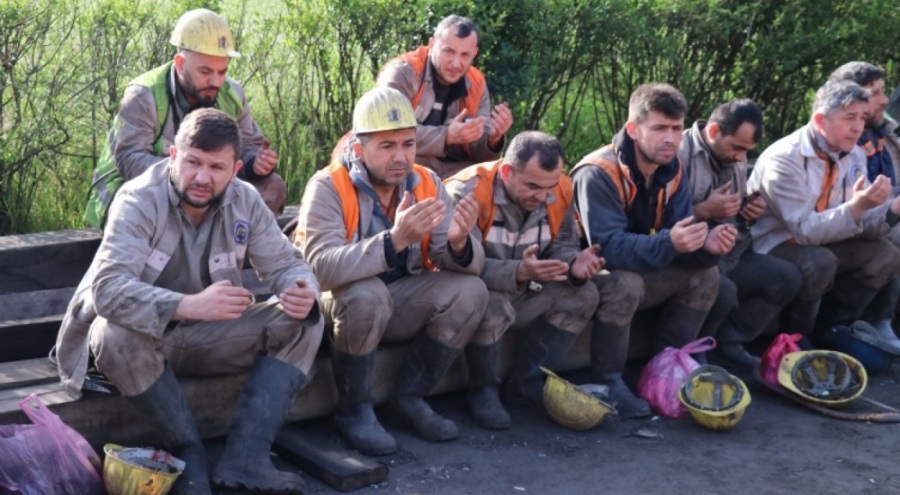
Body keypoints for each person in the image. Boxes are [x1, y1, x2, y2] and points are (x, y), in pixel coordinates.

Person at [56, 109, 322, 494]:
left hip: (209, 336)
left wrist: (300, 289)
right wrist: (189, 305)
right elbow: (108, 290)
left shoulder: (245, 199)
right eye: (193, 162)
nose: (202, 177)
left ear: (235, 170)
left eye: (216, 167)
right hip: (143, 345)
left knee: (305, 320)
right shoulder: (137, 199)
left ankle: (247, 458)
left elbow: (286, 264)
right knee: (112, 334)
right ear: (173, 156)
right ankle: (187, 452)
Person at [294, 87, 487, 456]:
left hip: (398, 300)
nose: (401, 157)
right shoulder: (328, 186)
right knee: (367, 295)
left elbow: (459, 259)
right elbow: (318, 269)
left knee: (471, 291)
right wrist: (394, 240)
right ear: (358, 148)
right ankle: (354, 411)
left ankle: (409, 398)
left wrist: (460, 244)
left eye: (408, 144)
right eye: (387, 146)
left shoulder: (427, 182)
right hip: (338, 307)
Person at [571, 83, 735, 411]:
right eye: (659, 128)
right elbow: (609, 249)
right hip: (582, 276)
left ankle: (668, 368)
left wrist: (706, 245)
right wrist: (670, 241)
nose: (671, 138)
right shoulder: (598, 172)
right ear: (633, 130)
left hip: (640, 264)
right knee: (626, 284)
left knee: (707, 275)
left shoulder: (672, 169)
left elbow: (680, 234)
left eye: (676, 128)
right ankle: (608, 381)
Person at [444, 131, 607, 426]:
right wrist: (517, 272)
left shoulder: (560, 190)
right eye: (532, 186)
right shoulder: (468, 191)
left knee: (584, 295)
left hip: (525, 287)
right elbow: (454, 265)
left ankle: (526, 383)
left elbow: (563, 246)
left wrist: (574, 266)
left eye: (549, 187)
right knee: (490, 303)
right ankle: (483, 390)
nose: (542, 196)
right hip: (475, 293)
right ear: (507, 171)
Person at [84, 8, 286, 228]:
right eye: (205, 72)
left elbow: (249, 145)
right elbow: (130, 161)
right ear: (180, 63)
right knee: (172, 204)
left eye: (222, 72)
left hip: (205, 187)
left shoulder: (231, 94)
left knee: (272, 187)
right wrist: (189, 175)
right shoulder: (143, 94)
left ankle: (237, 246)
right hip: (139, 191)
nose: (216, 81)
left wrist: (254, 163)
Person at [747, 80, 900, 343]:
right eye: (849, 118)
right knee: (820, 261)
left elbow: (861, 222)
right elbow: (805, 230)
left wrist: (893, 210)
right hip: (773, 244)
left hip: (826, 239)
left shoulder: (854, 154)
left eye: (862, 118)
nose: (858, 127)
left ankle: (832, 330)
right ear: (820, 121)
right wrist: (858, 206)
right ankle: (795, 337)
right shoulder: (784, 158)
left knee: (884, 254)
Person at [678, 99, 803, 370]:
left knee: (787, 278)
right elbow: (661, 219)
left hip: (731, 253)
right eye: (736, 147)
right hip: (691, 259)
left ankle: (729, 342)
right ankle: (692, 354)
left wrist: (747, 211)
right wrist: (704, 210)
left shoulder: (735, 156)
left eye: (746, 151)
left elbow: (736, 212)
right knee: (724, 291)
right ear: (714, 131)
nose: (740, 157)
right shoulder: (679, 153)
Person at [376, 15, 513, 179]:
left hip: (450, 171)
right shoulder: (403, 73)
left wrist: (493, 140)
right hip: (401, 165)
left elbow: (479, 155)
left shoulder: (477, 83)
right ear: (432, 45)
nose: (455, 63)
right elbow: (386, 132)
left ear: (474, 54)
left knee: (499, 178)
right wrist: (446, 136)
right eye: (449, 51)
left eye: (465, 55)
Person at [827, 62, 900, 185]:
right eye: (874, 93)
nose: (885, 100)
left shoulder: (886, 133)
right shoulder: (832, 148)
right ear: (847, 101)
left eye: (883, 91)